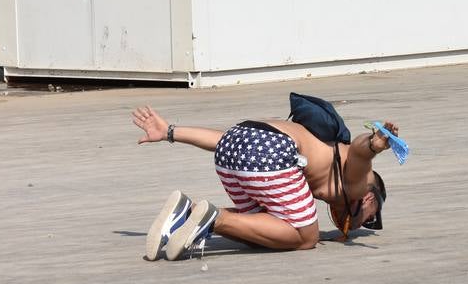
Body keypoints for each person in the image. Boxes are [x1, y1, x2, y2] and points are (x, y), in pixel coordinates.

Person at [133, 105, 396, 259]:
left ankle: (187, 214)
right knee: (307, 236)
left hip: (234, 146)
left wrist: (170, 132)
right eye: (370, 219)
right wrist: (373, 144)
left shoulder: (327, 152)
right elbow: (361, 154)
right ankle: (214, 219)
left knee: (264, 231)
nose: (360, 224)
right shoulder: (360, 184)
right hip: (272, 153)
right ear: (370, 198)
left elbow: (225, 140)